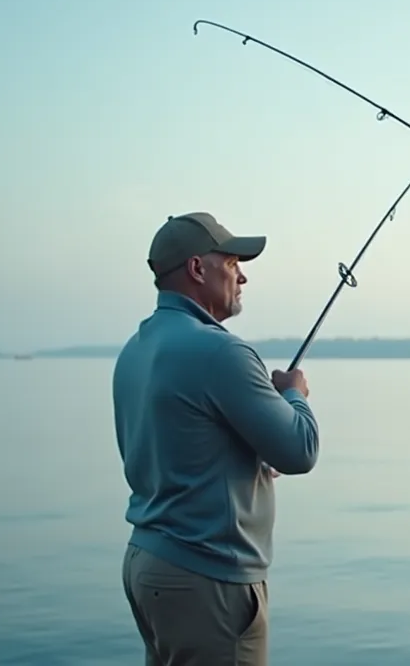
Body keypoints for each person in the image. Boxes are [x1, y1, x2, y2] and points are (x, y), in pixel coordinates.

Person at [112, 212, 321, 666]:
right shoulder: (222, 351)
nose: (242, 275)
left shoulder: (136, 349)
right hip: (208, 580)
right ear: (196, 269)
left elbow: (178, 449)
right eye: (231, 263)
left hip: (148, 566)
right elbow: (301, 451)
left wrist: (247, 461)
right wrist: (294, 395)